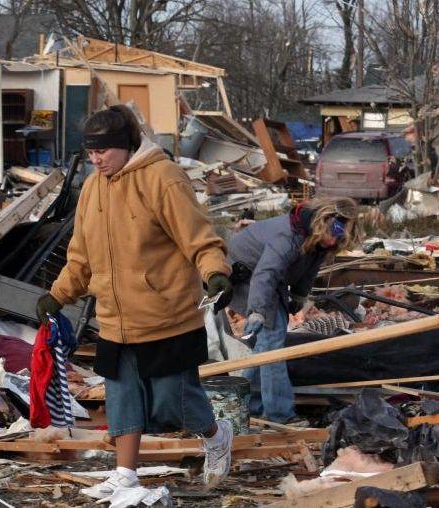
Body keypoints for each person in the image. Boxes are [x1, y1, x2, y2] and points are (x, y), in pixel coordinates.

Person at [36, 105, 235, 499]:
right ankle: (125, 473)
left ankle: (216, 435)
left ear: (126, 145)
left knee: (172, 403)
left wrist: (216, 272)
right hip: (115, 317)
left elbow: (199, 237)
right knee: (122, 396)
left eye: (103, 151)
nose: (96, 159)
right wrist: (58, 295)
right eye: (91, 152)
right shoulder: (93, 187)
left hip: (167, 313)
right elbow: (81, 255)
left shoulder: (163, 178)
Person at [227, 197, 360, 423]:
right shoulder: (287, 237)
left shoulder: (318, 240)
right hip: (245, 274)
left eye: (341, 236)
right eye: (335, 232)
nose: (335, 241)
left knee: (266, 345)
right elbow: (265, 274)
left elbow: (309, 270)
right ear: (324, 220)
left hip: (266, 277)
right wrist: (257, 311)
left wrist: (298, 296)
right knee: (271, 345)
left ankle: (246, 405)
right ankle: (280, 415)